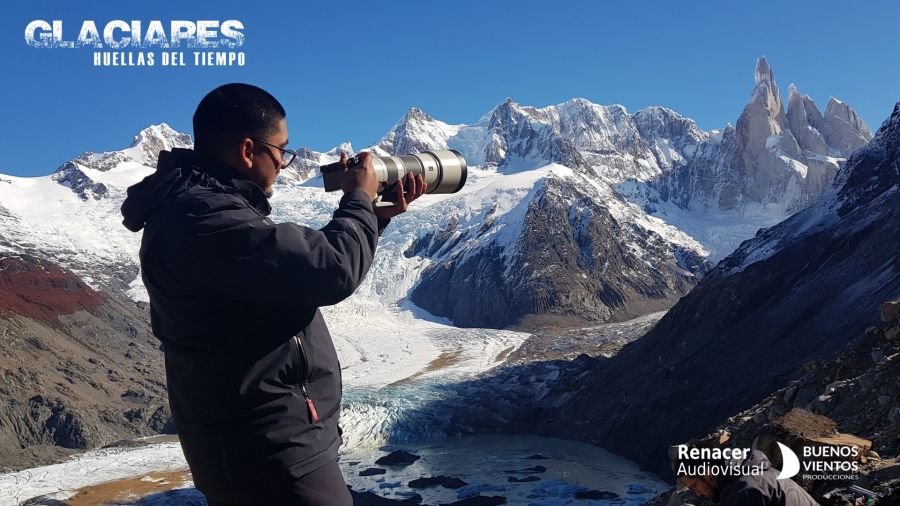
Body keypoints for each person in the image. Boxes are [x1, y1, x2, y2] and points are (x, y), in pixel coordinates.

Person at [120, 83, 426, 505]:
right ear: (249, 150)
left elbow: (295, 274)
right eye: (282, 150)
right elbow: (331, 269)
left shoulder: (200, 211)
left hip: (265, 447)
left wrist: (372, 217)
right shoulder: (204, 219)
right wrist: (358, 198)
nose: (284, 163)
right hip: (269, 452)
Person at [674, 447, 820, 506]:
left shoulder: (743, 490)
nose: (698, 494)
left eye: (694, 486)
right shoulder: (750, 475)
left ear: (707, 474)